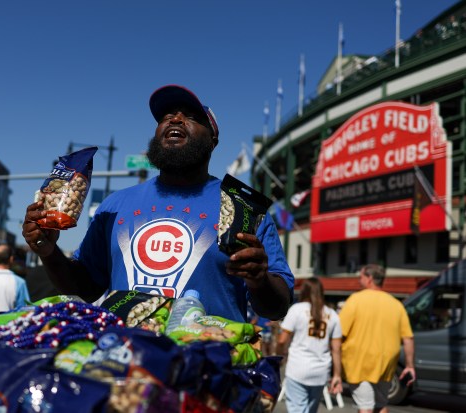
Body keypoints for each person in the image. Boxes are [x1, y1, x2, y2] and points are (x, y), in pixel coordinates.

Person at [22, 84, 294, 322]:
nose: (175, 119)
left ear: (213, 141)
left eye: (190, 116)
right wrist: (48, 251)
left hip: (208, 371)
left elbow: (277, 307)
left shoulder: (241, 209)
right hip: (126, 366)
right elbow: (85, 288)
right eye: (166, 116)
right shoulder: (115, 204)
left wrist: (259, 281)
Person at [339, 264, 416, 413]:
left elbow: (338, 334)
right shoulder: (396, 304)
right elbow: (408, 338)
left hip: (360, 364)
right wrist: (409, 365)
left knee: (365, 407)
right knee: (380, 405)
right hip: (386, 366)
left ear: (370, 279)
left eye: (361, 277)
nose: (358, 280)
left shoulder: (355, 300)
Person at [277, 277, 343, 413]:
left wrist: (279, 356)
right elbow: (336, 348)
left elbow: (282, 340)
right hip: (321, 371)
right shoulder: (332, 314)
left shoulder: (297, 310)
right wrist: (337, 374)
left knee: (297, 409)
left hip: (298, 368)